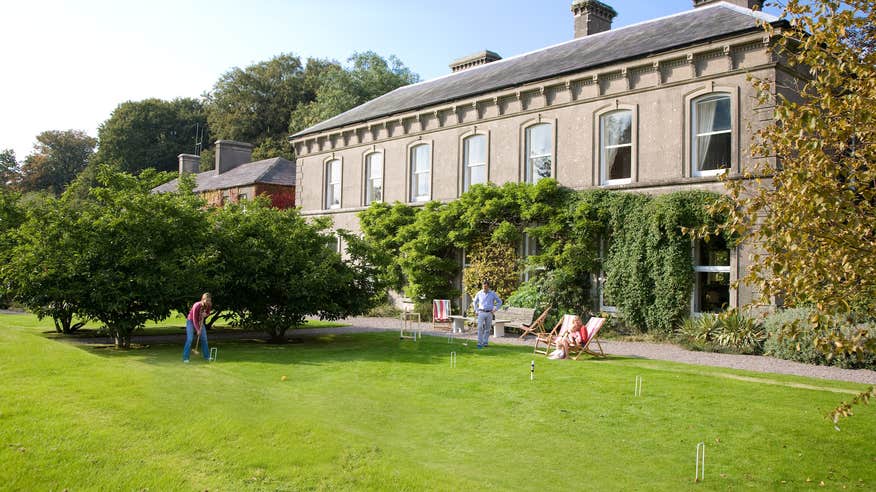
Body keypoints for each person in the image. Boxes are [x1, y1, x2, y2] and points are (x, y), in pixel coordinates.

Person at [183, 293, 212, 363]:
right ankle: (185, 358)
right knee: (190, 339)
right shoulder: (196, 305)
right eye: (207, 300)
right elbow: (194, 319)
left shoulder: (208, 305)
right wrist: (198, 330)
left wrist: (206, 314)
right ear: (203, 299)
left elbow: (208, 313)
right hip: (191, 321)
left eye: (209, 301)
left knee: (204, 339)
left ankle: (207, 356)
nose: (208, 302)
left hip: (200, 322)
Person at [473, 280, 502, 349]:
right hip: (481, 312)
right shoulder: (479, 293)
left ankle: (485, 342)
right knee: (480, 327)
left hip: (489, 313)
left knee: (487, 329)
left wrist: (495, 309)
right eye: (483, 286)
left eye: (486, 286)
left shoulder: (492, 293)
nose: (484, 288)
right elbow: (475, 302)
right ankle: (479, 343)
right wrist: (476, 310)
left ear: (488, 286)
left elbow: (499, 302)